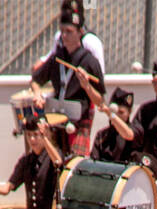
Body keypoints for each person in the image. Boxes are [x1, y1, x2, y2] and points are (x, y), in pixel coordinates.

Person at [30, 7, 104, 158]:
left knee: (74, 164)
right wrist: (37, 94)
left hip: (78, 121)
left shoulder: (89, 61)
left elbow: (100, 100)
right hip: (55, 116)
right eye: (62, 31)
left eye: (69, 31)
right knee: (50, 159)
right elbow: (36, 81)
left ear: (80, 33)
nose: (64, 35)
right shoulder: (57, 58)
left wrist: (87, 87)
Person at [0, 116, 62, 209]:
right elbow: (8, 187)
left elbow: (58, 162)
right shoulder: (26, 161)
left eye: (36, 135)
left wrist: (44, 138)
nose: (32, 139)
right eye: (29, 135)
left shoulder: (52, 156)